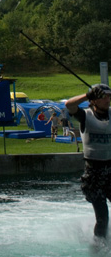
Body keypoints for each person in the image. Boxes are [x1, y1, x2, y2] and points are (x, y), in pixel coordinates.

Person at [66, 84, 111, 240]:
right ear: (94, 100)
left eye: (109, 96)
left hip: (110, 171)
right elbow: (69, 105)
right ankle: (99, 247)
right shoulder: (85, 115)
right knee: (103, 217)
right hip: (93, 175)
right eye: (103, 97)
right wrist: (87, 95)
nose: (107, 100)